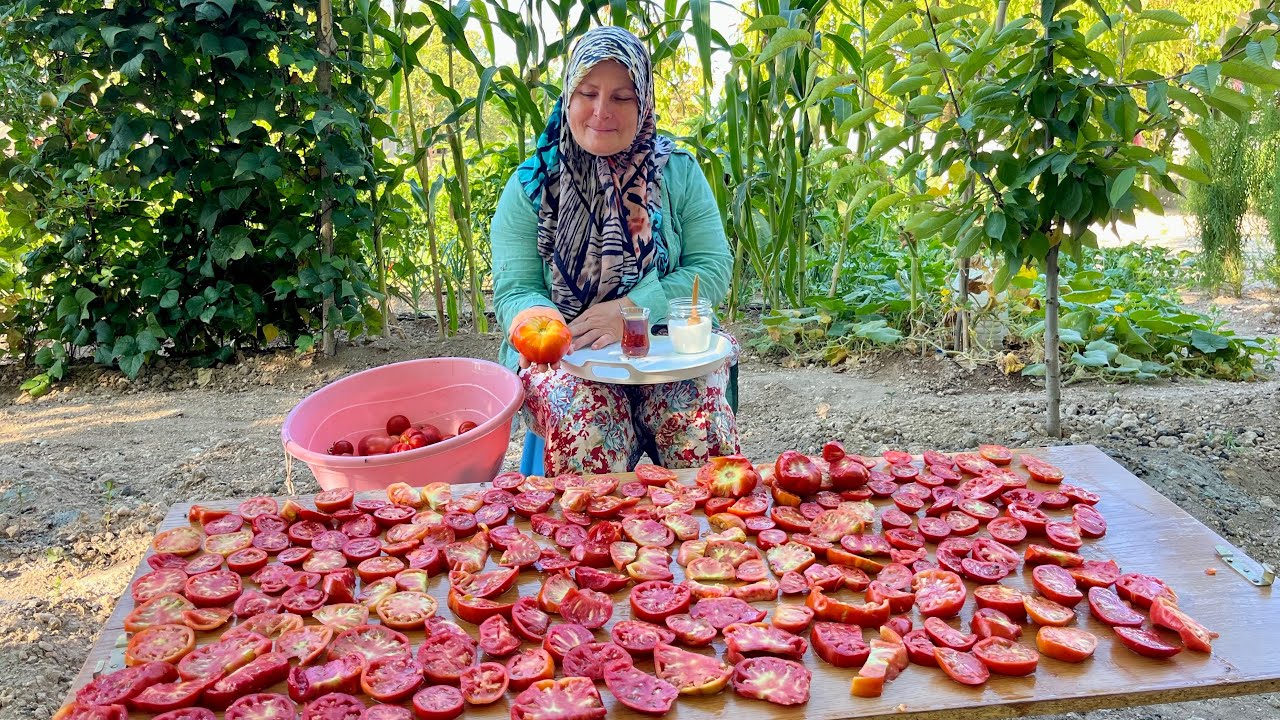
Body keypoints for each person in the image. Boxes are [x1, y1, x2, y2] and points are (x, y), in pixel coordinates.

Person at [490, 26, 739, 476]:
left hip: (668, 347)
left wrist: (632, 309)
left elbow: (713, 268)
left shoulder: (676, 173)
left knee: (694, 430)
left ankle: (703, 542)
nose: (602, 111)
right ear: (568, 96)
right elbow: (516, 289)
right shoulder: (531, 185)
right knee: (586, 429)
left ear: (643, 104)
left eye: (622, 97)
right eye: (588, 92)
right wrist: (537, 321)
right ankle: (596, 543)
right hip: (567, 355)